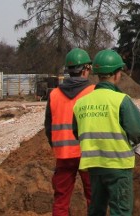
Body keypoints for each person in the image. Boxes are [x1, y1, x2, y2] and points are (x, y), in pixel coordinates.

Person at [73, 49, 140, 216]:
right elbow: (138, 131)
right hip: (118, 166)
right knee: (120, 211)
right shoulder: (121, 100)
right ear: (116, 74)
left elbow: (77, 132)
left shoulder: (81, 103)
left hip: (94, 165)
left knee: (96, 209)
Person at [45, 48, 95, 216]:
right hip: (87, 154)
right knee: (94, 198)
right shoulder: (93, 92)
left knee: (61, 199)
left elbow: (48, 127)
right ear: (86, 69)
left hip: (63, 155)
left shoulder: (54, 94)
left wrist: (57, 146)